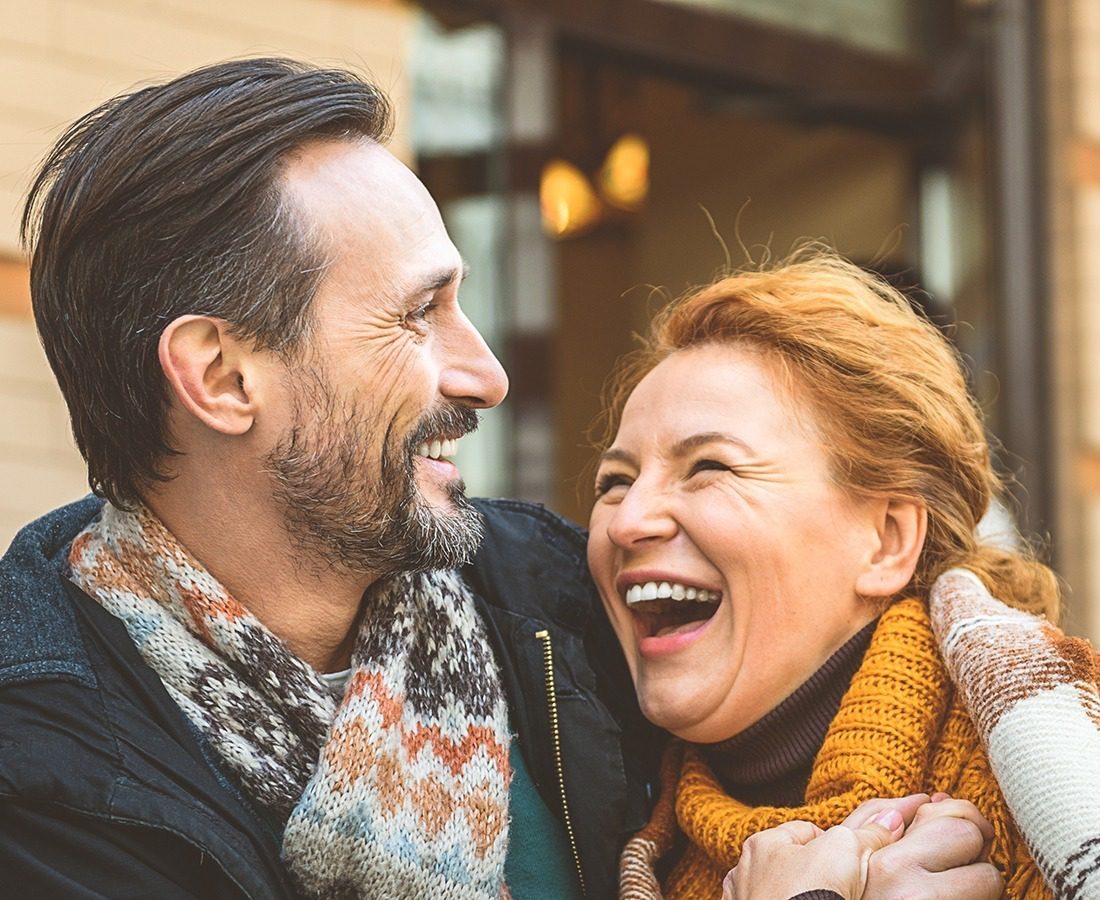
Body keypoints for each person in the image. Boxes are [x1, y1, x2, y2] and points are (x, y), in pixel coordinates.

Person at [1, 58, 1004, 899]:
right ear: (223, 378)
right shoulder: (41, 787)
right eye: (416, 315)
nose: (484, 373)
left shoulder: (561, 608)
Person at [588, 248, 1100, 899]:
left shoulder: (1070, 787)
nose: (627, 520)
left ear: (887, 540)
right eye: (615, 481)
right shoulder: (591, 821)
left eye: (709, 467)